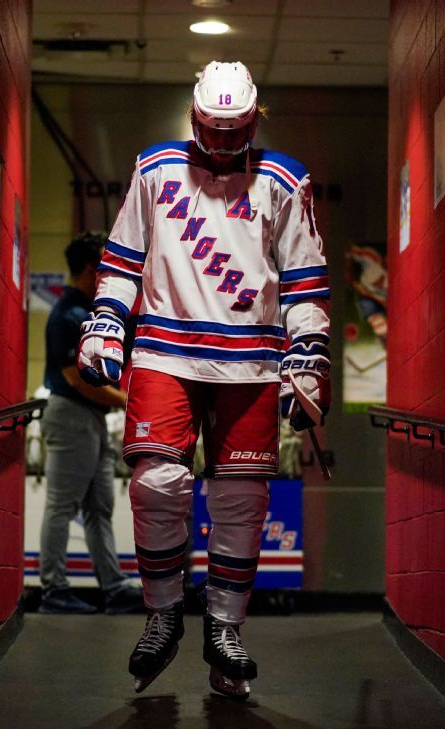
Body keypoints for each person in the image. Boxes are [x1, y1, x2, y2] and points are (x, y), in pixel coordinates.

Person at [76, 61, 330, 698]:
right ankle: (164, 613)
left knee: (241, 500)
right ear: (194, 119)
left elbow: (305, 280)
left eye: (233, 131)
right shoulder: (154, 169)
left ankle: (225, 629)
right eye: (211, 132)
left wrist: (309, 354)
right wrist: (105, 323)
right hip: (166, 350)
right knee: (157, 482)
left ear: (252, 121)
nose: (220, 144)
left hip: (251, 360)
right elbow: (122, 259)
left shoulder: (284, 178)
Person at [38, 233, 145, 615]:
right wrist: (128, 402)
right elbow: (78, 378)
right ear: (90, 268)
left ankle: (114, 587)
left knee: (99, 507)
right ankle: (53, 590)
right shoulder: (69, 314)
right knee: (61, 505)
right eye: (105, 265)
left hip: (94, 420)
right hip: (71, 416)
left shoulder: (91, 312)